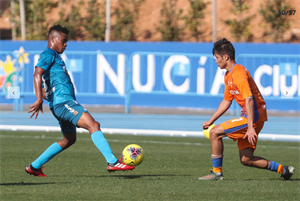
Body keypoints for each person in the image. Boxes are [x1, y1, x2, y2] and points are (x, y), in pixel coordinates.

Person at [25, 24, 134, 177]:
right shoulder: (49, 54)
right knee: (93, 124)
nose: (65, 44)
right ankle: (112, 162)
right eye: (63, 41)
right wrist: (38, 99)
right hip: (64, 103)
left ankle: (34, 166)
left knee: (69, 139)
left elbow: (48, 86)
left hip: (60, 103)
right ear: (53, 39)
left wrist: (45, 95)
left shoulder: (54, 57)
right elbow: (37, 74)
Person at [198, 38, 295, 181]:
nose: (216, 61)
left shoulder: (238, 73)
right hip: (252, 115)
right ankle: (284, 170)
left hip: (253, 115)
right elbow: (227, 101)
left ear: (226, 57)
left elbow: (249, 99)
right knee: (246, 159)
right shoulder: (228, 75)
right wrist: (211, 120)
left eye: (217, 57)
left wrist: (250, 127)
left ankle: (216, 173)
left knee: (214, 133)